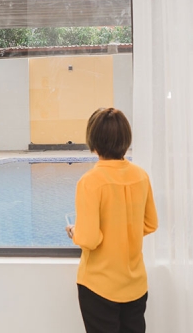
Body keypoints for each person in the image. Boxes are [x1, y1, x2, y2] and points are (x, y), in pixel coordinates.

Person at [65, 107, 158, 333]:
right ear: (126, 139)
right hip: (135, 286)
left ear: (93, 142)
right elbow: (150, 223)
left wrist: (74, 231)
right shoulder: (141, 176)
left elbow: (89, 239)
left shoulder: (90, 182)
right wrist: (124, 230)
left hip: (99, 288)